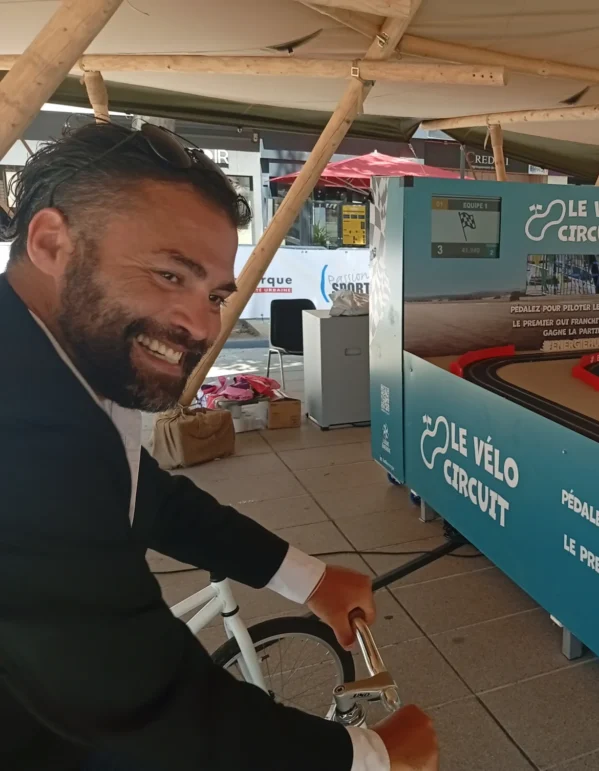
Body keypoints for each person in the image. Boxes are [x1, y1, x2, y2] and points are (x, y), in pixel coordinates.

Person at [0, 122, 439, 771]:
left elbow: (144, 491)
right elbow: (136, 700)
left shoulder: (60, 360)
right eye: (169, 274)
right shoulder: (24, 433)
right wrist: (370, 755)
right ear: (50, 242)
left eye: (212, 293)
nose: (203, 324)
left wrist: (307, 576)